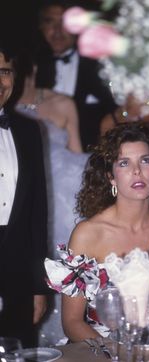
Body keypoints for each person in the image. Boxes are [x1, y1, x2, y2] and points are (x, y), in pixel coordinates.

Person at [45, 122, 149, 344]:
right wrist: (118, 355)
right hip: (101, 347)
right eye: (124, 163)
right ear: (111, 177)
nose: (137, 171)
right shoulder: (88, 234)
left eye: (145, 160)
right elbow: (72, 322)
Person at [13, 50, 90, 346]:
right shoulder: (6, 106)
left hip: (63, 202)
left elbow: (78, 158)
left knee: (63, 265)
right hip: (23, 199)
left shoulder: (62, 103)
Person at [0, 45, 48, 347]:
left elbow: (36, 214)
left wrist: (37, 285)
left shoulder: (29, 131)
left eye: (4, 72)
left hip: (18, 276)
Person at [35, 0, 116, 151]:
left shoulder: (99, 65)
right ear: (41, 26)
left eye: (64, 23)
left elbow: (116, 111)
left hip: (89, 157)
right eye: (50, 22)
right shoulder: (30, 68)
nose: (57, 30)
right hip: (39, 154)